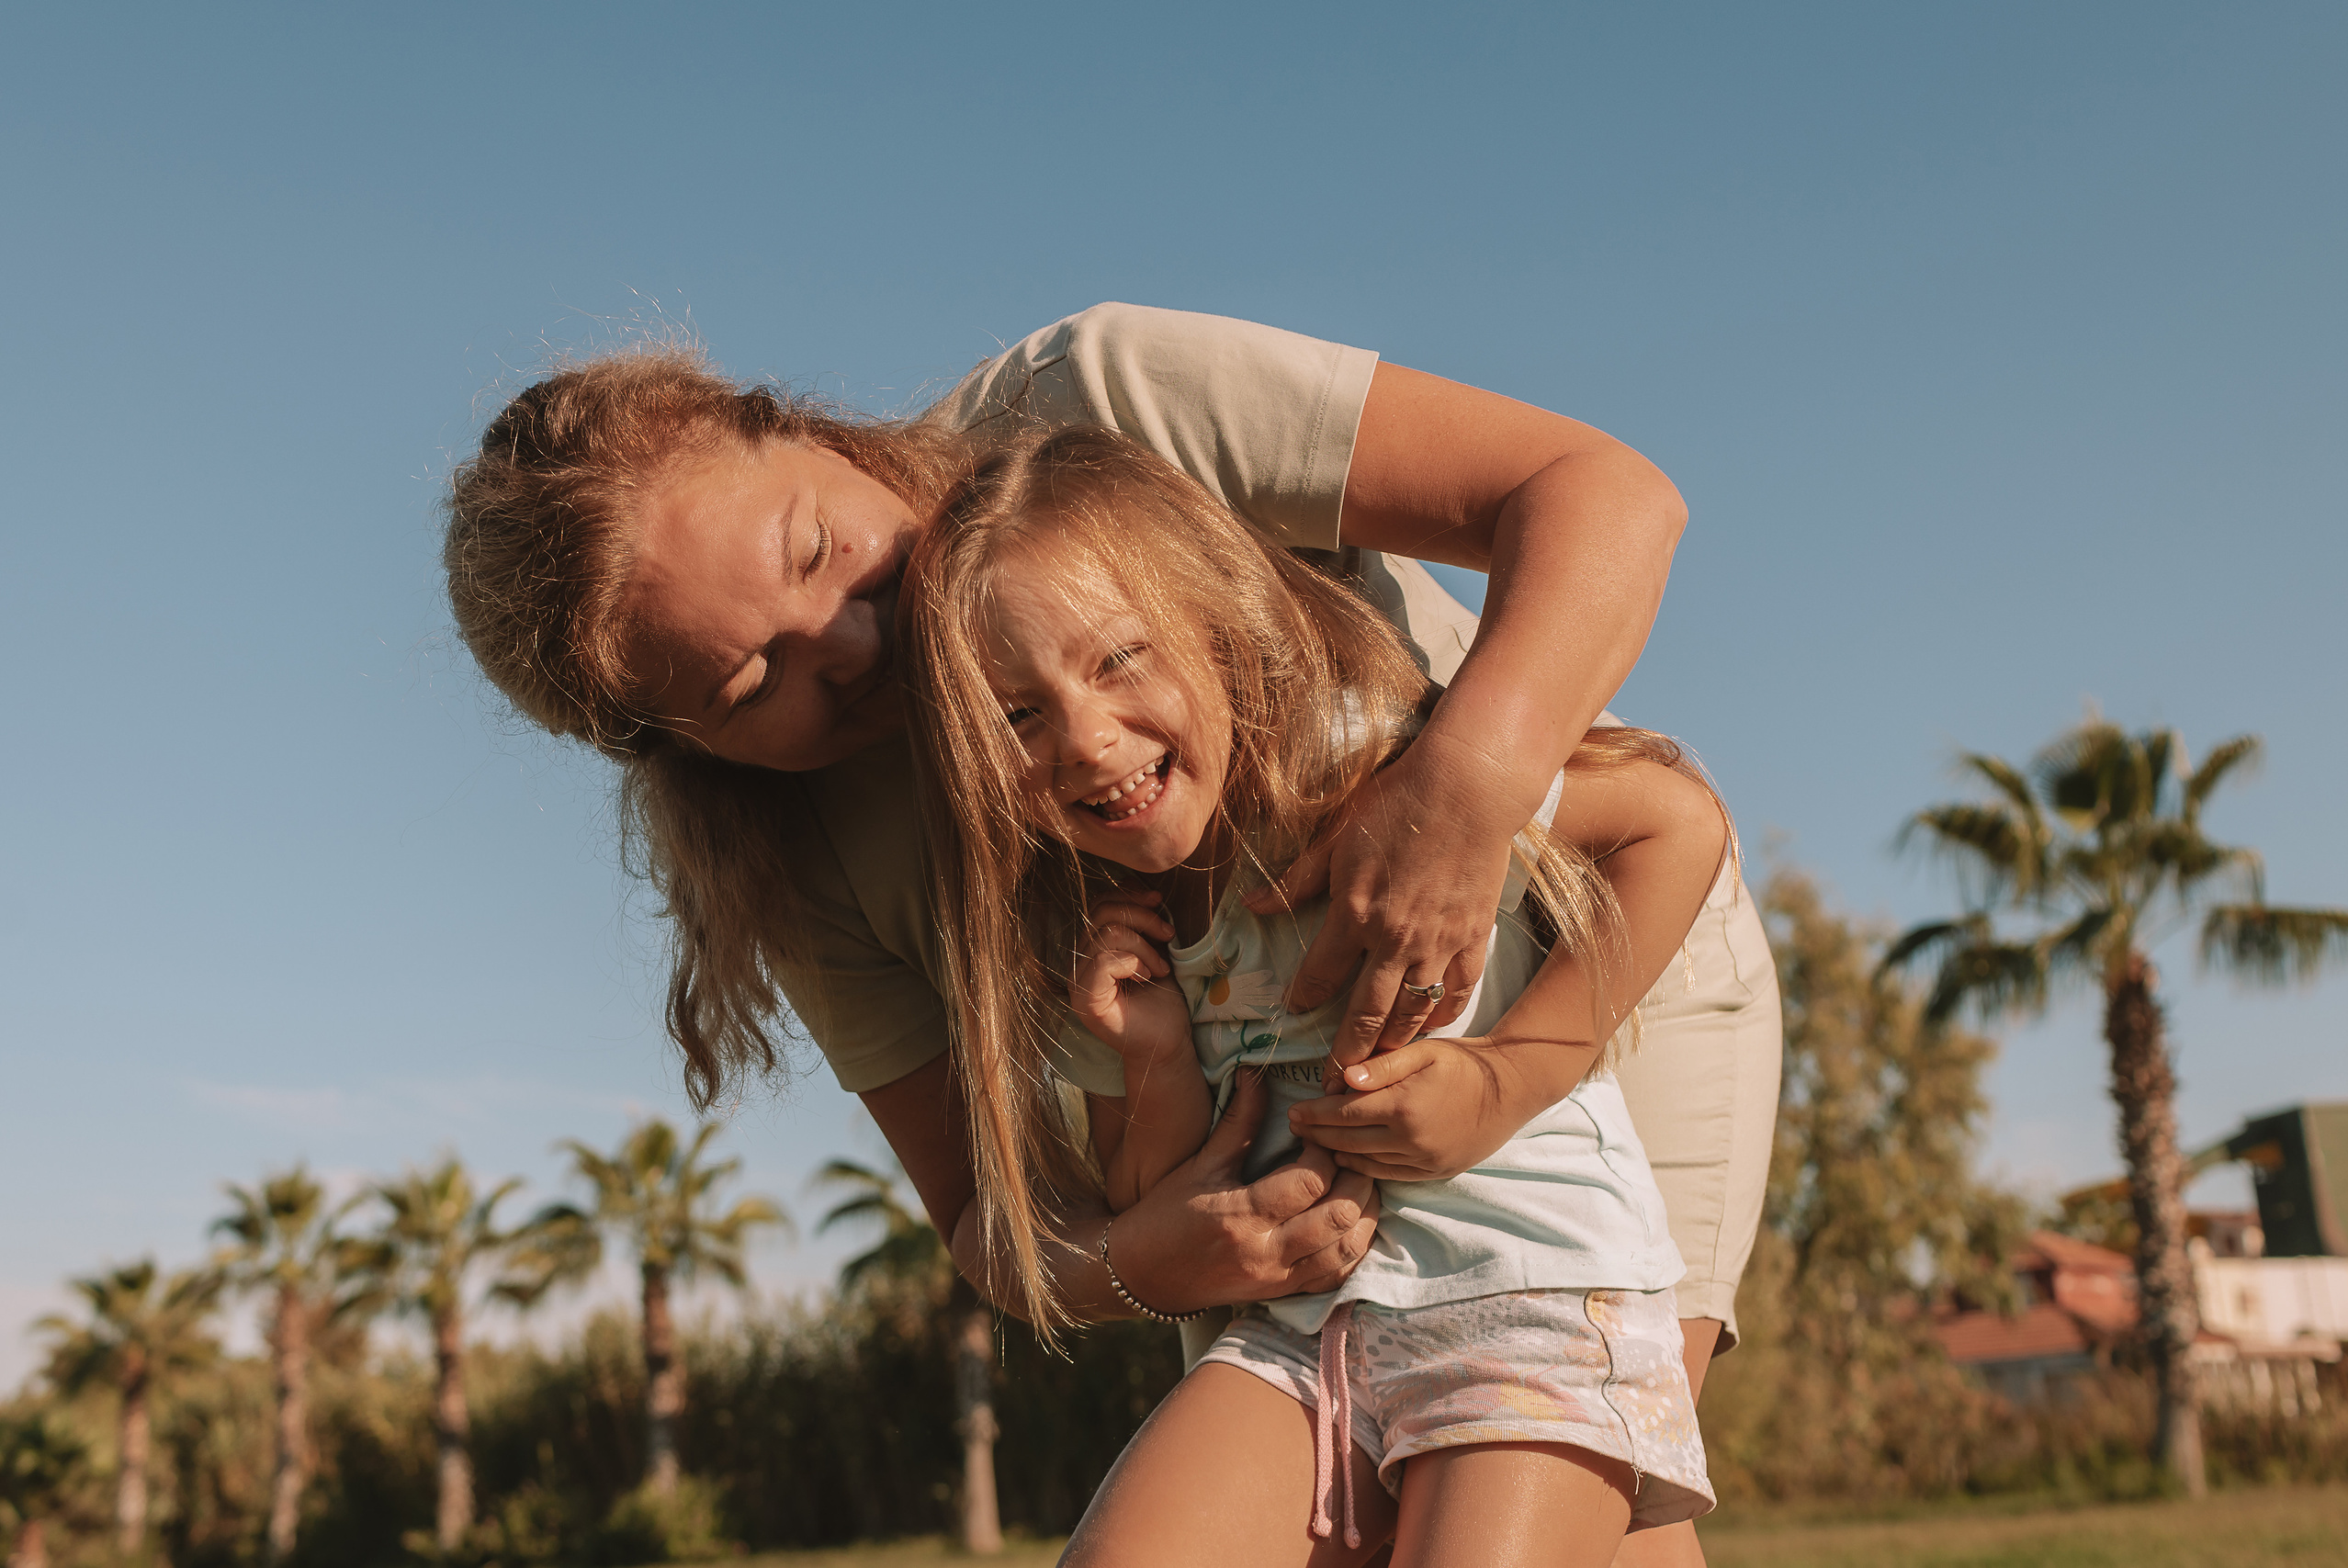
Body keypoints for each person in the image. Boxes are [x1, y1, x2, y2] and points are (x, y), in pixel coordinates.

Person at [443, 303, 1780, 1568]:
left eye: (812, 550)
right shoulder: (801, 861)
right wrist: (1155, 1251)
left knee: (1580, 1488)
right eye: (750, 681)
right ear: (682, 752)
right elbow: (991, 1216)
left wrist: (1465, 788)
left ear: (796, 425)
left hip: (1581, 974)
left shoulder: (1092, 404)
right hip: (1281, 1192)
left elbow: (1602, 494)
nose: (850, 640)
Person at [901, 426, 1728, 1565]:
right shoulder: (1100, 933)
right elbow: (1163, 1200)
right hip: (1295, 1342)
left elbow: (1671, 820)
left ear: (1215, 625)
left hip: (1532, 1301)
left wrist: (1507, 1077)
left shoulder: (1362, 774)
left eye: (1117, 660)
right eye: (1016, 715)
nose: (1086, 743)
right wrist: (1148, 1059)